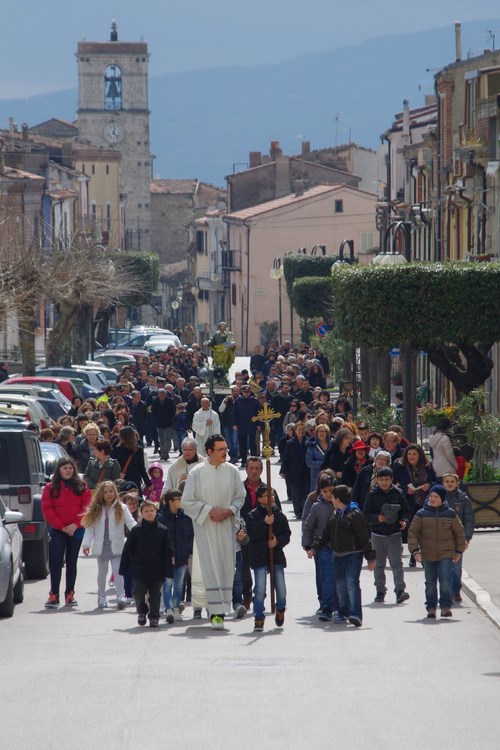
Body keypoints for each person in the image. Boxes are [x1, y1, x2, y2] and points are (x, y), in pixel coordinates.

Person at [182, 434, 245, 629]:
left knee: (226, 567)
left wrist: (229, 511)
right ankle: (215, 614)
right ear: (209, 452)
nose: (225, 452)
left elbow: (240, 497)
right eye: (221, 450)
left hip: (226, 526)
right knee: (209, 568)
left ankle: (222, 609)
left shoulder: (233, 471)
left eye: (226, 449)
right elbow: (187, 501)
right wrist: (210, 510)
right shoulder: (196, 472)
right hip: (205, 528)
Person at [309, 485, 376, 627]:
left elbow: (364, 537)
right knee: (340, 585)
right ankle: (342, 612)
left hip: (353, 555)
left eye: (332, 497)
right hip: (337, 555)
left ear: (338, 499)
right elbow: (325, 534)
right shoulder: (335, 514)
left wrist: (371, 558)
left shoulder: (355, 514)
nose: (331, 500)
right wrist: (314, 548)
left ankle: (355, 614)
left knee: (351, 583)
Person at [408, 484, 466, 618]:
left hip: (446, 553)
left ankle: (445, 606)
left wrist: (458, 551)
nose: (432, 499)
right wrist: (415, 551)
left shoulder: (450, 514)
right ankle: (431, 607)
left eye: (436, 496)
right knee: (430, 582)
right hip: (428, 554)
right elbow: (413, 533)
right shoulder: (421, 514)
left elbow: (459, 533)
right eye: (431, 496)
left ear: (442, 499)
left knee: (445, 580)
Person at [41, 457, 92, 608]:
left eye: (70, 468)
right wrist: (62, 526)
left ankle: (70, 594)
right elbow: (47, 509)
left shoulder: (82, 486)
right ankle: (54, 594)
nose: (68, 470)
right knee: (56, 561)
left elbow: (87, 507)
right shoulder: (50, 487)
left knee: (72, 562)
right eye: (65, 468)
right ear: (59, 470)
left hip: (76, 530)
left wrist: (75, 525)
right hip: (58, 530)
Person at [119, 498, 174, 628]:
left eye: (152, 511)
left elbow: (168, 552)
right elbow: (128, 550)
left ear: (156, 512)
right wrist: (123, 568)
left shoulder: (163, 530)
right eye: (146, 511)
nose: (149, 513)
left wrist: (169, 571)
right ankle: (142, 612)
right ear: (141, 513)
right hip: (139, 568)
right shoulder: (136, 531)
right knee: (139, 592)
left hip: (157, 568)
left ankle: (154, 617)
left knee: (155, 594)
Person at [81, 481, 137, 609]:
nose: (109, 494)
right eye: (105, 492)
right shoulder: (95, 509)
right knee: (102, 572)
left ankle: (120, 595)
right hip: (102, 545)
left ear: (115, 492)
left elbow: (131, 522)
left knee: (118, 571)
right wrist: (86, 545)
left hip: (117, 545)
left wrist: (140, 533)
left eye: (111, 491)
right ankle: (101, 596)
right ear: (101, 494)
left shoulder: (122, 508)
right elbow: (89, 529)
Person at [246, 485, 291, 632]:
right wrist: (265, 523)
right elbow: (252, 533)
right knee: (259, 589)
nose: (271, 497)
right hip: (259, 556)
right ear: (259, 499)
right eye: (267, 495)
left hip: (276, 556)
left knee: (281, 588)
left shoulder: (280, 515)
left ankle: (280, 608)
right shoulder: (253, 515)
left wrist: (278, 541)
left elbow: (287, 533)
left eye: (272, 495)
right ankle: (259, 616)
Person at [362, 467, 411, 604]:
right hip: (378, 535)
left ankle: (400, 591)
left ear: (391, 480)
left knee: (396, 563)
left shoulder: (398, 493)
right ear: (377, 480)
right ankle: (380, 591)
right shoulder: (372, 495)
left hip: (394, 533)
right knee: (379, 565)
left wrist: (404, 521)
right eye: (381, 479)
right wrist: (376, 518)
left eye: (387, 479)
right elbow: (365, 514)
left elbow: (406, 510)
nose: (384, 482)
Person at [302, 474, 338, 621]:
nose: (329, 494)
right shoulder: (316, 505)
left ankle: (340, 605)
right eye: (325, 491)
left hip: (341, 546)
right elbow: (308, 525)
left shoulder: (343, 503)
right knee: (327, 577)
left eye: (331, 491)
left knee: (340, 578)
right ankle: (326, 606)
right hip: (322, 546)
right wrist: (307, 543)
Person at [158, 489, 194, 623]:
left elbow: (191, 535)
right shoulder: (161, 518)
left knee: (179, 585)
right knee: (167, 584)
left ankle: (176, 608)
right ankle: (169, 609)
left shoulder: (186, 517)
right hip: (167, 558)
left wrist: (187, 551)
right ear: (170, 502)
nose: (181, 501)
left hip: (182, 557)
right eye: (178, 499)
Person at [442, 473, 474, 603]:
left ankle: (456, 590)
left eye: (452, 481)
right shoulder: (437, 497)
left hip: (457, 538)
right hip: (441, 538)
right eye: (447, 481)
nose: (449, 483)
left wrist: (466, 538)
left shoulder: (464, 499)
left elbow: (469, 520)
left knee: (456, 567)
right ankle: (446, 592)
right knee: (444, 567)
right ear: (443, 483)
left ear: (457, 483)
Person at [280, 421, 310, 519]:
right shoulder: (290, 443)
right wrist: (283, 470)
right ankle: (298, 512)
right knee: (296, 493)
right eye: (299, 429)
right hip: (294, 471)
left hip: (306, 471)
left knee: (305, 492)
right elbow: (286, 458)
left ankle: (304, 511)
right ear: (295, 430)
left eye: (303, 429)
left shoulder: (308, 442)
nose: (301, 431)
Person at [111, 426, 151, 496]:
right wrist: (148, 483)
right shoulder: (138, 450)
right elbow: (142, 469)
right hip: (135, 480)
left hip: (122, 479)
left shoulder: (117, 450)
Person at [232, 384, 260, 466]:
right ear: (242, 392)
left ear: (250, 391)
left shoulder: (255, 401)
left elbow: (258, 414)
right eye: (245, 392)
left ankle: (254, 459)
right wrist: (234, 424)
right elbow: (234, 414)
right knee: (242, 444)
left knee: (252, 443)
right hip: (241, 424)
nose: (246, 393)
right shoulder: (237, 401)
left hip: (252, 424)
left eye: (248, 392)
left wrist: (258, 424)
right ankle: (244, 461)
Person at [150, 388, 176, 461]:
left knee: (167, 438)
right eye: (160, 395)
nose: (162, 396)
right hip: (159, 423)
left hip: (168, 423)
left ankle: (166, 452)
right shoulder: (155, 401)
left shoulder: (170, 401)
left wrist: (171, 418)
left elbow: (173, 411)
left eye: (163, 394)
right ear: (158, 395)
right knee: (161, 439)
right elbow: (153, 411)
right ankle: (162, 452)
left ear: (165, 394)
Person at [306, 424, 333, 491]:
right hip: (316, 476)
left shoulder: (333, 444)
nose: (321, 433)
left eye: (323, 431)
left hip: (331, 475)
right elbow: (309, 462)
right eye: (319, 431)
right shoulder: (312, 446)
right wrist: (323, 464)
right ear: (316, 433)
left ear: (327, 433)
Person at [218, 385, 240, 463]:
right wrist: (225, 401)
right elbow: (220, 410)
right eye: (234, 391)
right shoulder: (226, 399)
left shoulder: (240, 400)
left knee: (234, 441)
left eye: (237, 391)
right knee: (228, 442)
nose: (236, 393)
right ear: (231, 392)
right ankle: (232, 455)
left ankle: (235, 456)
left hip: (236, 425)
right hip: (226, 424)